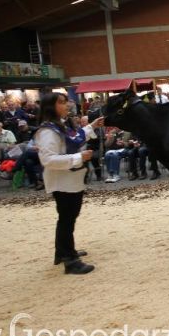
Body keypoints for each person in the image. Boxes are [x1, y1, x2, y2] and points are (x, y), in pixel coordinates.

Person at [35, 92, 104, 275]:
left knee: (67, 218)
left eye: (67, 102)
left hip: (71, 179)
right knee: (67, 219)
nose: (67, 105)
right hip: (62, 181)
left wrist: (91, 127)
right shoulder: (48, 131)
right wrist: (78, 157)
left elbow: (76, 138)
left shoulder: (60, 126)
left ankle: (63, 251)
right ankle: (70, 260)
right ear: (51, 106)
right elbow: (48, 159)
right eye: (62, 103)